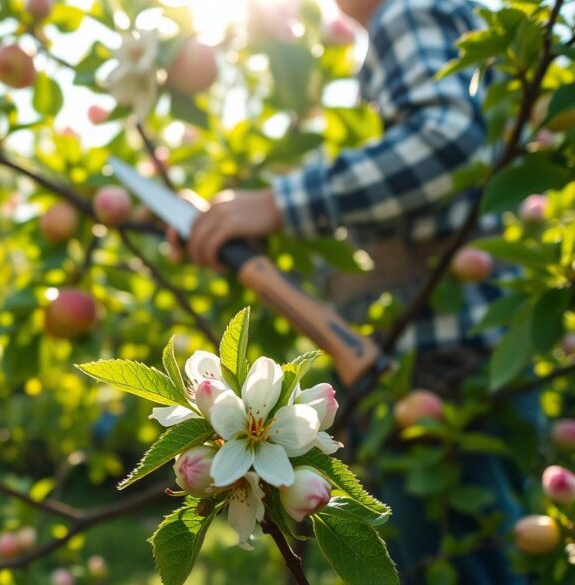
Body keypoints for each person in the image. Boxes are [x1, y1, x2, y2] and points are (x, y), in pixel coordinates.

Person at [170, 0, 535, 583]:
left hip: (440, 368)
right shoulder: (450, 25)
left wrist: (277, 204)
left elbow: (444, 142)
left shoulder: (406, 12)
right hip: (478, 360)